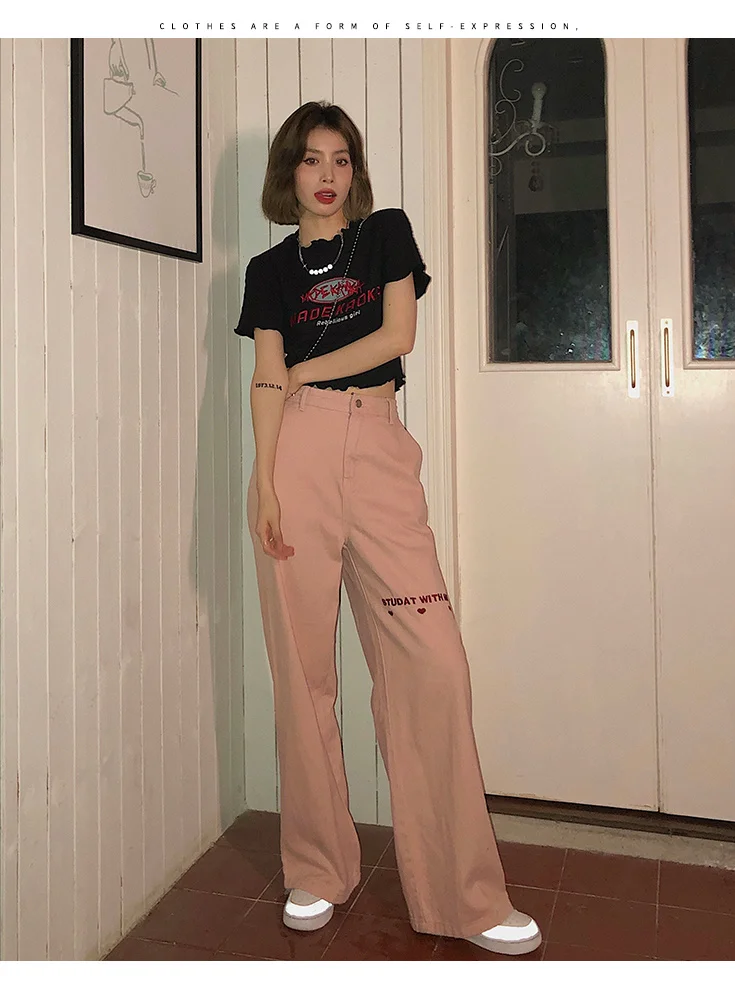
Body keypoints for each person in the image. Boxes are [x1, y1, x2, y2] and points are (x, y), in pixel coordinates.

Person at [234, 100, 541, 956]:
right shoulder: (267, 269)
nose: (327, 174)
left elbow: (395, 335)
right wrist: (263, 478)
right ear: (289, 172)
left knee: (434, 661)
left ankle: (463, 894)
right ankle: (316, 865)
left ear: (355, 171)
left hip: (374, 442)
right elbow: (264, 379)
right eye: (311, 159)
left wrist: (303, 371)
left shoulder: (386, 236)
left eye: (341, 159)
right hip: (295, 456)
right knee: (302, 674)